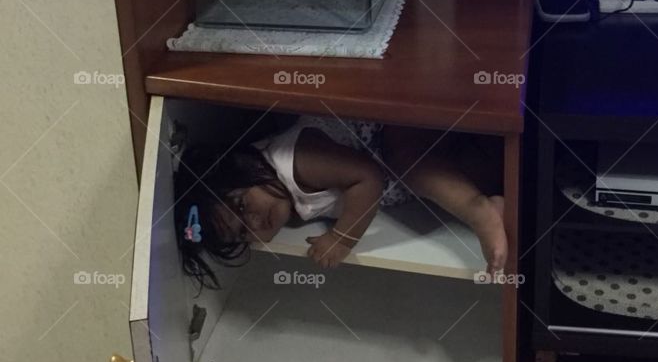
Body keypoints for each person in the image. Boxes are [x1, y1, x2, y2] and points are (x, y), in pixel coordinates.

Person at [174, 116, 507, 287]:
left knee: (412, 162)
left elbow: (368, 178)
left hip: (391, 133)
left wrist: (342, 238)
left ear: (245, 166)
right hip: (403, 174)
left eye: (242, 206)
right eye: (244, 232)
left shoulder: (296, 161)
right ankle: (492, 191)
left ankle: (479, 210)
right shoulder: (277, 195)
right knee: (485, 170)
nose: (256, 223)